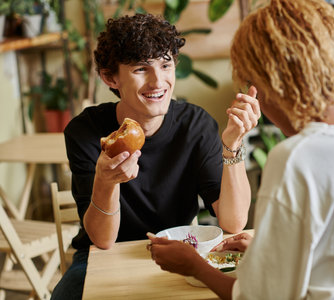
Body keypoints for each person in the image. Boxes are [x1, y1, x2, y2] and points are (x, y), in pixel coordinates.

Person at [148, 0, 334, 299]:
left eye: (252, 82)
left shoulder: (296, 158)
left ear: (272, 81)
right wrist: (271, 251)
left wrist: (195, 266)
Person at [51, 13, 260, 300]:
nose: (158, 81)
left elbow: (233, 223)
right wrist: (106, 180)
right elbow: (103, 240)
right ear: (110, 77)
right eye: (141, 69)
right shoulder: (86, 132)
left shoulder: (195, 126)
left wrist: (233, 144)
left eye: (166, 64)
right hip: (104, 257)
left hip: (181, 251)